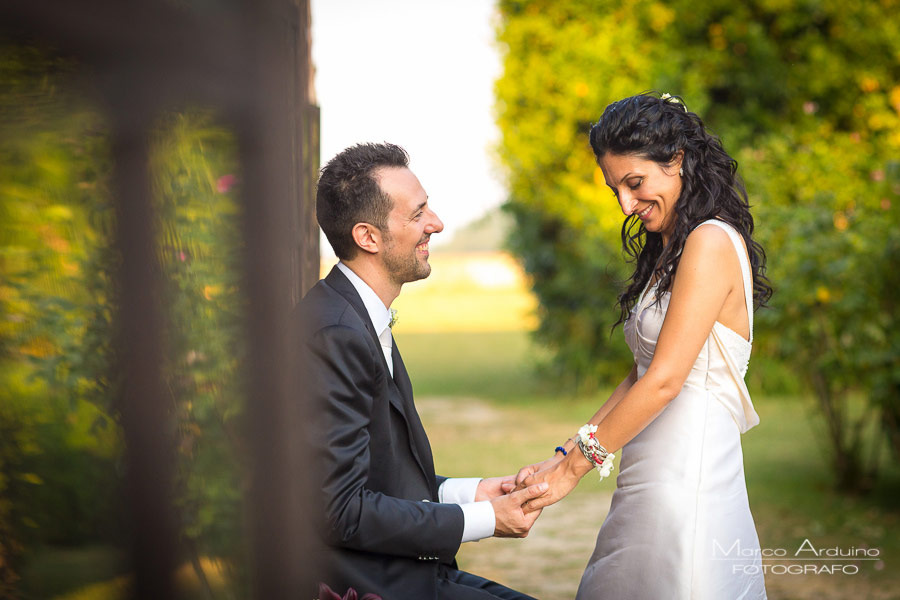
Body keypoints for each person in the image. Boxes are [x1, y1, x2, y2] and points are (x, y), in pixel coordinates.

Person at [515, 93, 772, 599]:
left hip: (688, 485)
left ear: (676, 159)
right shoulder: (672, 249)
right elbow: (640, 372)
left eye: (635, 184)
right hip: (649, 476)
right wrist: (565, 451)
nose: (626, 205)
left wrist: (573, 472)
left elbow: (665, 380)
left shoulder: (710, 242)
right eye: (616, 190)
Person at [298, 142, 548, 600]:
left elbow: (381, 477)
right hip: (375, 585)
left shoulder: (354, 314)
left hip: (409, 570)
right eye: (417, 214)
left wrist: (475, 493)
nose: (436, 223)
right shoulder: (335, 332)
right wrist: (489, 521)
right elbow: (340, 509)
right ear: (368, 237)